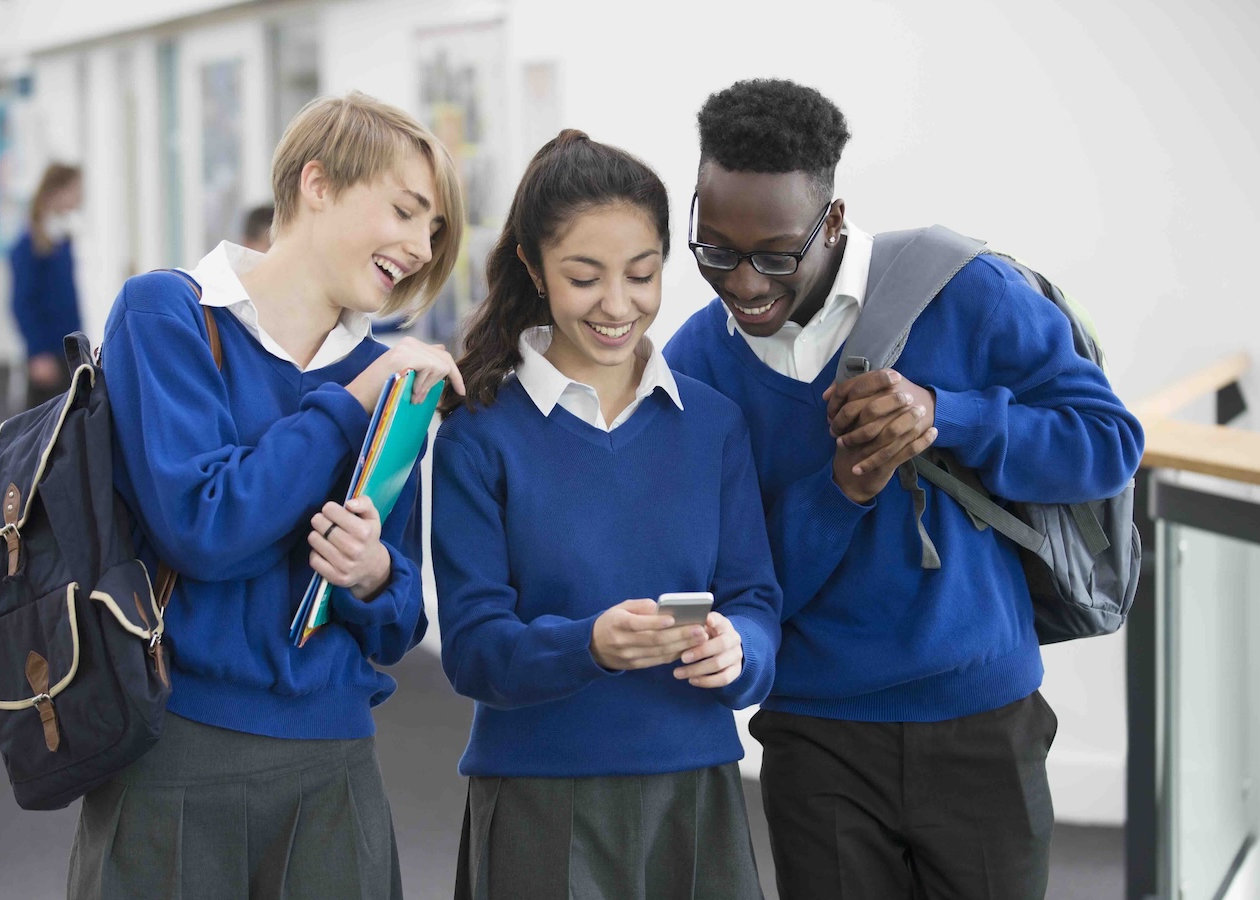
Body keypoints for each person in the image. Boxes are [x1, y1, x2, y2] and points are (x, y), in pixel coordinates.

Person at [664, 79, 1145, 900]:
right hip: (816, 735)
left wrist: (948, 416)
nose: (744, 284)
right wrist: (840, 492)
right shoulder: (697, 367)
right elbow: (729, 586)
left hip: (983, 720)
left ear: (835, 221)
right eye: (714, 250)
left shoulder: (965, 291)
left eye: (776, 254)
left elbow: (1108, 446)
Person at [67, 91, 465, 900]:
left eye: (434, 231)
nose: (421, 248)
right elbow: (203, 527)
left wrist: (371, 577)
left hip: (335, 766)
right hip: (177, 755)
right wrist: (350, 401)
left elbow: (400, 624)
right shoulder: (167, 313)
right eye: (405, 211)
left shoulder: (387, 373)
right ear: (316, 184)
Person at [432, 129, 781, 900]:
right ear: (533, 265)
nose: (618, 306)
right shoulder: (479, 434)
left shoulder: (712, 425)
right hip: (539, 798)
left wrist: (740, 654)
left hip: (695, 790)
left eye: (643, 274)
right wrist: (588, 644)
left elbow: (755, 599)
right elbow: (471, 649)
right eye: (585, 278)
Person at [9, 162, 83, 409]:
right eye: (75, 189)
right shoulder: (29, 244)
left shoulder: (61, 239)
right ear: (57, 191)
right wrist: (37, 352)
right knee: (42, 428)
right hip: (48, 354)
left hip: (66, 349)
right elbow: (21, 303)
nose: (80, 196)